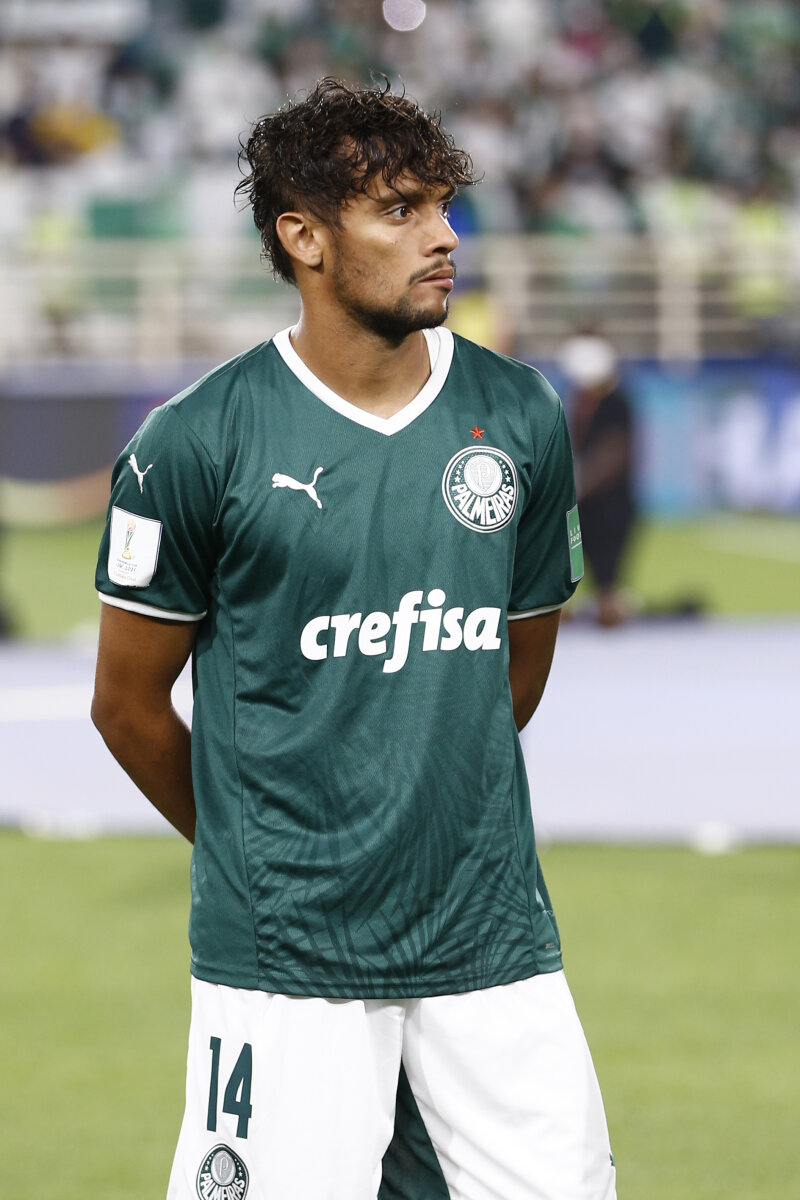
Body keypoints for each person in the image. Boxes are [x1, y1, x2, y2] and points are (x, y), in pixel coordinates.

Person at [92, 77, 615, 1200]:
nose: (444, 237)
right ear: (305, 238)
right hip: (286, 955)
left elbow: (511, 675)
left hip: (489, 935)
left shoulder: (520, 415)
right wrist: (258, 851)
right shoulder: (196, 442)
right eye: (400, 210)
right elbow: (126, 708)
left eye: (444, 207)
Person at [560, 334, 638, 627]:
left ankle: (608, 604)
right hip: (584, 503)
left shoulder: (616, 403)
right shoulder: (577, 402)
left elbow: (615, 453)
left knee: (607, 577)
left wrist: (580, 482)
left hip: (610, 503)